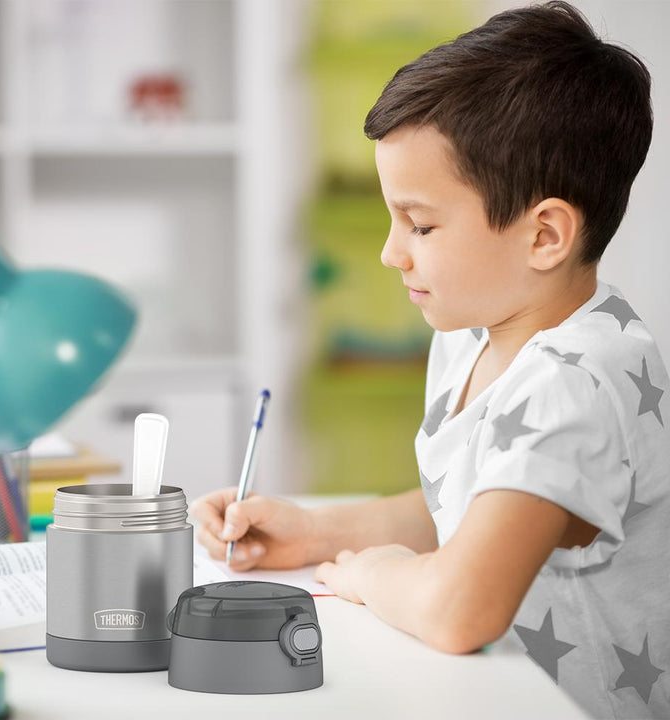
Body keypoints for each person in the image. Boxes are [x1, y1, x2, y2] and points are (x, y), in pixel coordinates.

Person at [191, 3, 669, 717]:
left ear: (545, 236)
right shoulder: (471, 336)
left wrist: (380, 576)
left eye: (420, 223)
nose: (391, 251)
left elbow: (459, 609)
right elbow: (468, 508)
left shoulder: (577, 381)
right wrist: (317, 533)